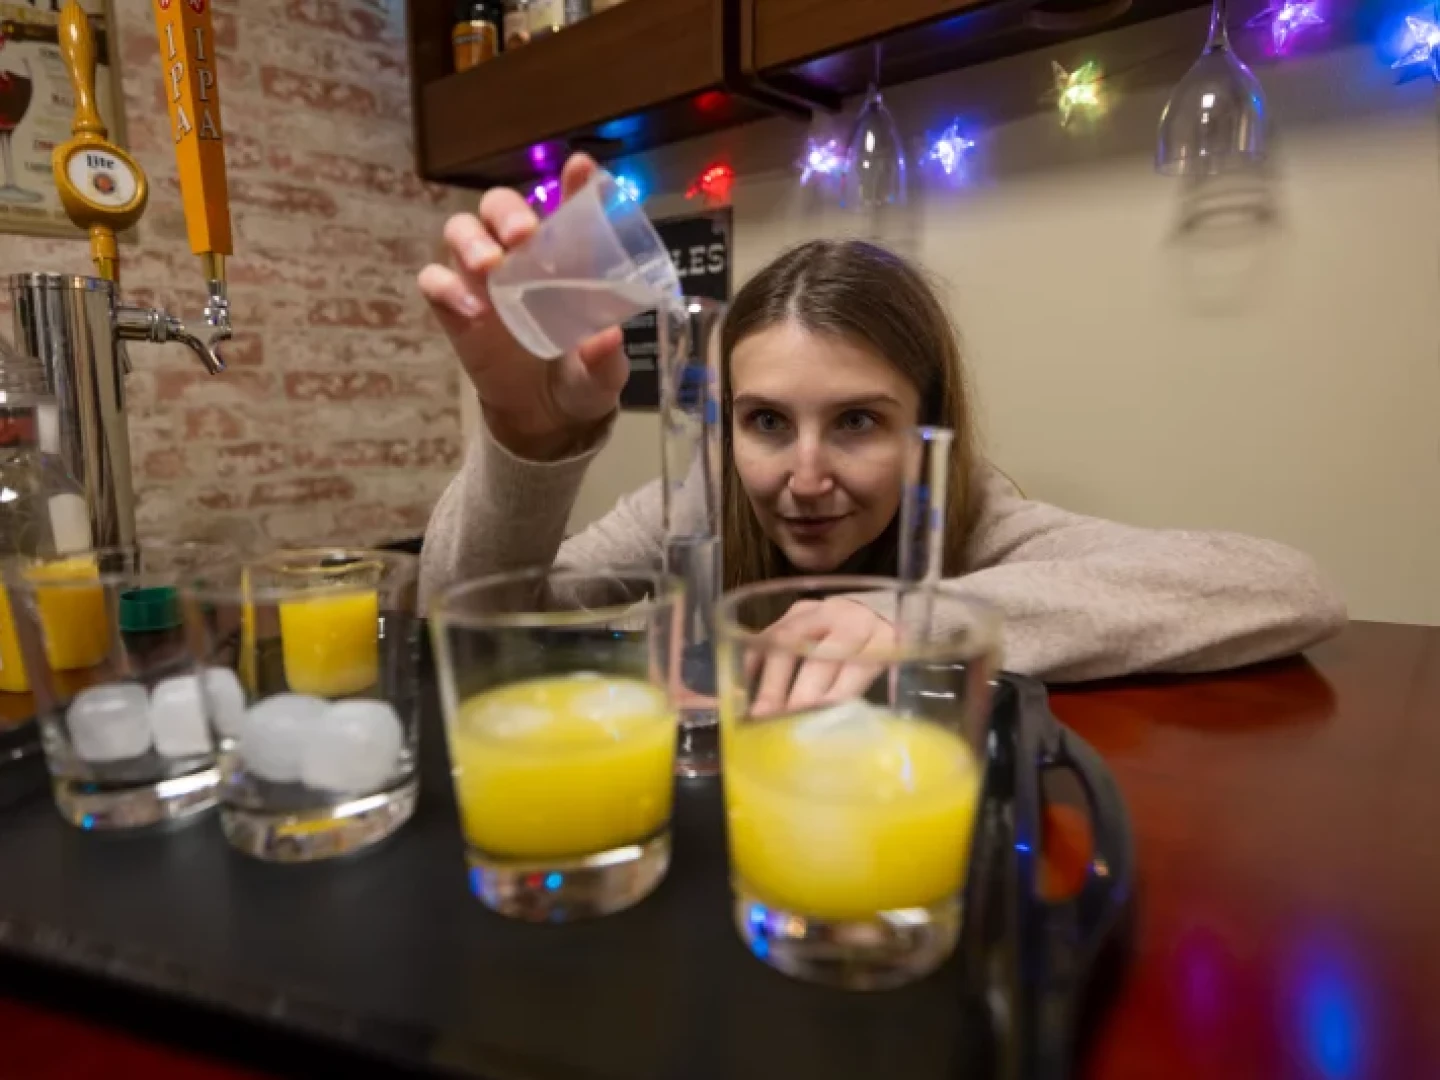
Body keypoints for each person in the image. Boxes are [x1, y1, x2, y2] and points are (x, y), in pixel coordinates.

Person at [416, 153, 1346, 695]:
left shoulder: (976, 517)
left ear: (925, 429)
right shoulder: (700, 503)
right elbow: (476, 620)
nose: (805, 477)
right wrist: (521, 436)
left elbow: (1289, 588)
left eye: (858, 421)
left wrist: (908, 617)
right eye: (767, 421)